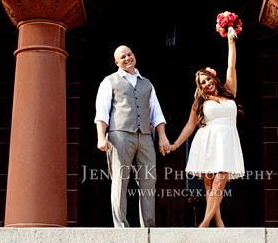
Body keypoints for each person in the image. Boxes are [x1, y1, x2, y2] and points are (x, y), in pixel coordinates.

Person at [168, 33, 243, 227]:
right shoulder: (199, 102)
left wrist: (230, 41)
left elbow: (232, 66)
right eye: (202, 82)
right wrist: (176, 144)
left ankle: (203, 223)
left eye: (208, 79)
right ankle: (219, 223)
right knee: (210, 186)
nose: (207, 83)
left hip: (227, 142)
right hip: (207, 142)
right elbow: (190, 126)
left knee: (220, 182)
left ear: (214, 78)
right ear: (200, 87)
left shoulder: (229, 92)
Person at [95, 45, 170, 228]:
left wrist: (162, 137)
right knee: (120, 180)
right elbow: (102, 112)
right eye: (123, 57)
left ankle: (148, 227)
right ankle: (121, 226)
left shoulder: (147, 83)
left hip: (145, 136)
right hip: (119, 135)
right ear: (116, 62)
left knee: (148, 180)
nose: (127, 58)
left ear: (134, 56)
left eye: (129, 54)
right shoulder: (109, 81)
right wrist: (101, 137)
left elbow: (156, 113)